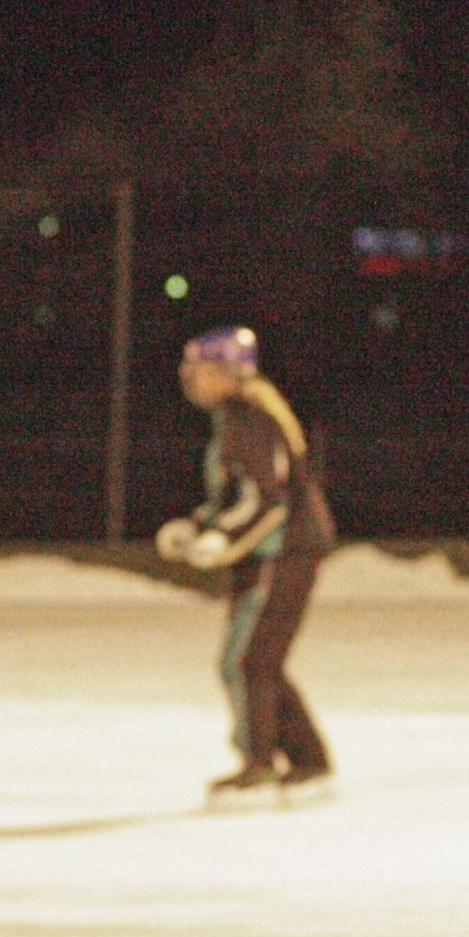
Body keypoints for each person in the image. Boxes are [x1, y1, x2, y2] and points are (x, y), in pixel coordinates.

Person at [153, 323, 337, 806]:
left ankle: (258, 767)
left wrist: (224, 539)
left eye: (199, 368)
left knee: (246, 660)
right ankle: (309, 763)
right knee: (260, 660)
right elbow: (235, 496)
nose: (188, 377)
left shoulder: (250, 416)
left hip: (283, 552)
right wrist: (198, 526)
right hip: (270, 552)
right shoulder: (234, 416)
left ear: (227, 371)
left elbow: (268, 501)